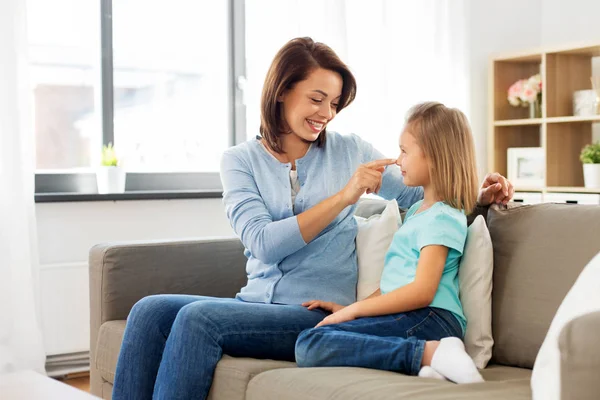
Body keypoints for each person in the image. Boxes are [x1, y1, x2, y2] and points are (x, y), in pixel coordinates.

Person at [112, 37, 513, 400]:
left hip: (310, 311)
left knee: (198, 319)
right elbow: (263, 243)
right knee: (149, 310)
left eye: (335, 103)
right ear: (283, 91)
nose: (327, 113)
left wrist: (479, 194)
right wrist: (344, 197)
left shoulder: (349, 150)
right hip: (254, 305)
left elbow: (423, 192)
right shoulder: (240, 161)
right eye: (317, 99)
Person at [295, 101, 484, 384]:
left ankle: (432, 353)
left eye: (405, 152)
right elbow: (394, 286)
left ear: (434, 157)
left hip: (431, 319)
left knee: (311, 344)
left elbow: (422, 291)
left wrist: (356, 310)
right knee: (312, 340)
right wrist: (347, 310)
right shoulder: (421, 211)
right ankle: (427, 367)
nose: (398, 160)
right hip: (413, 316)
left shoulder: (443, 217)